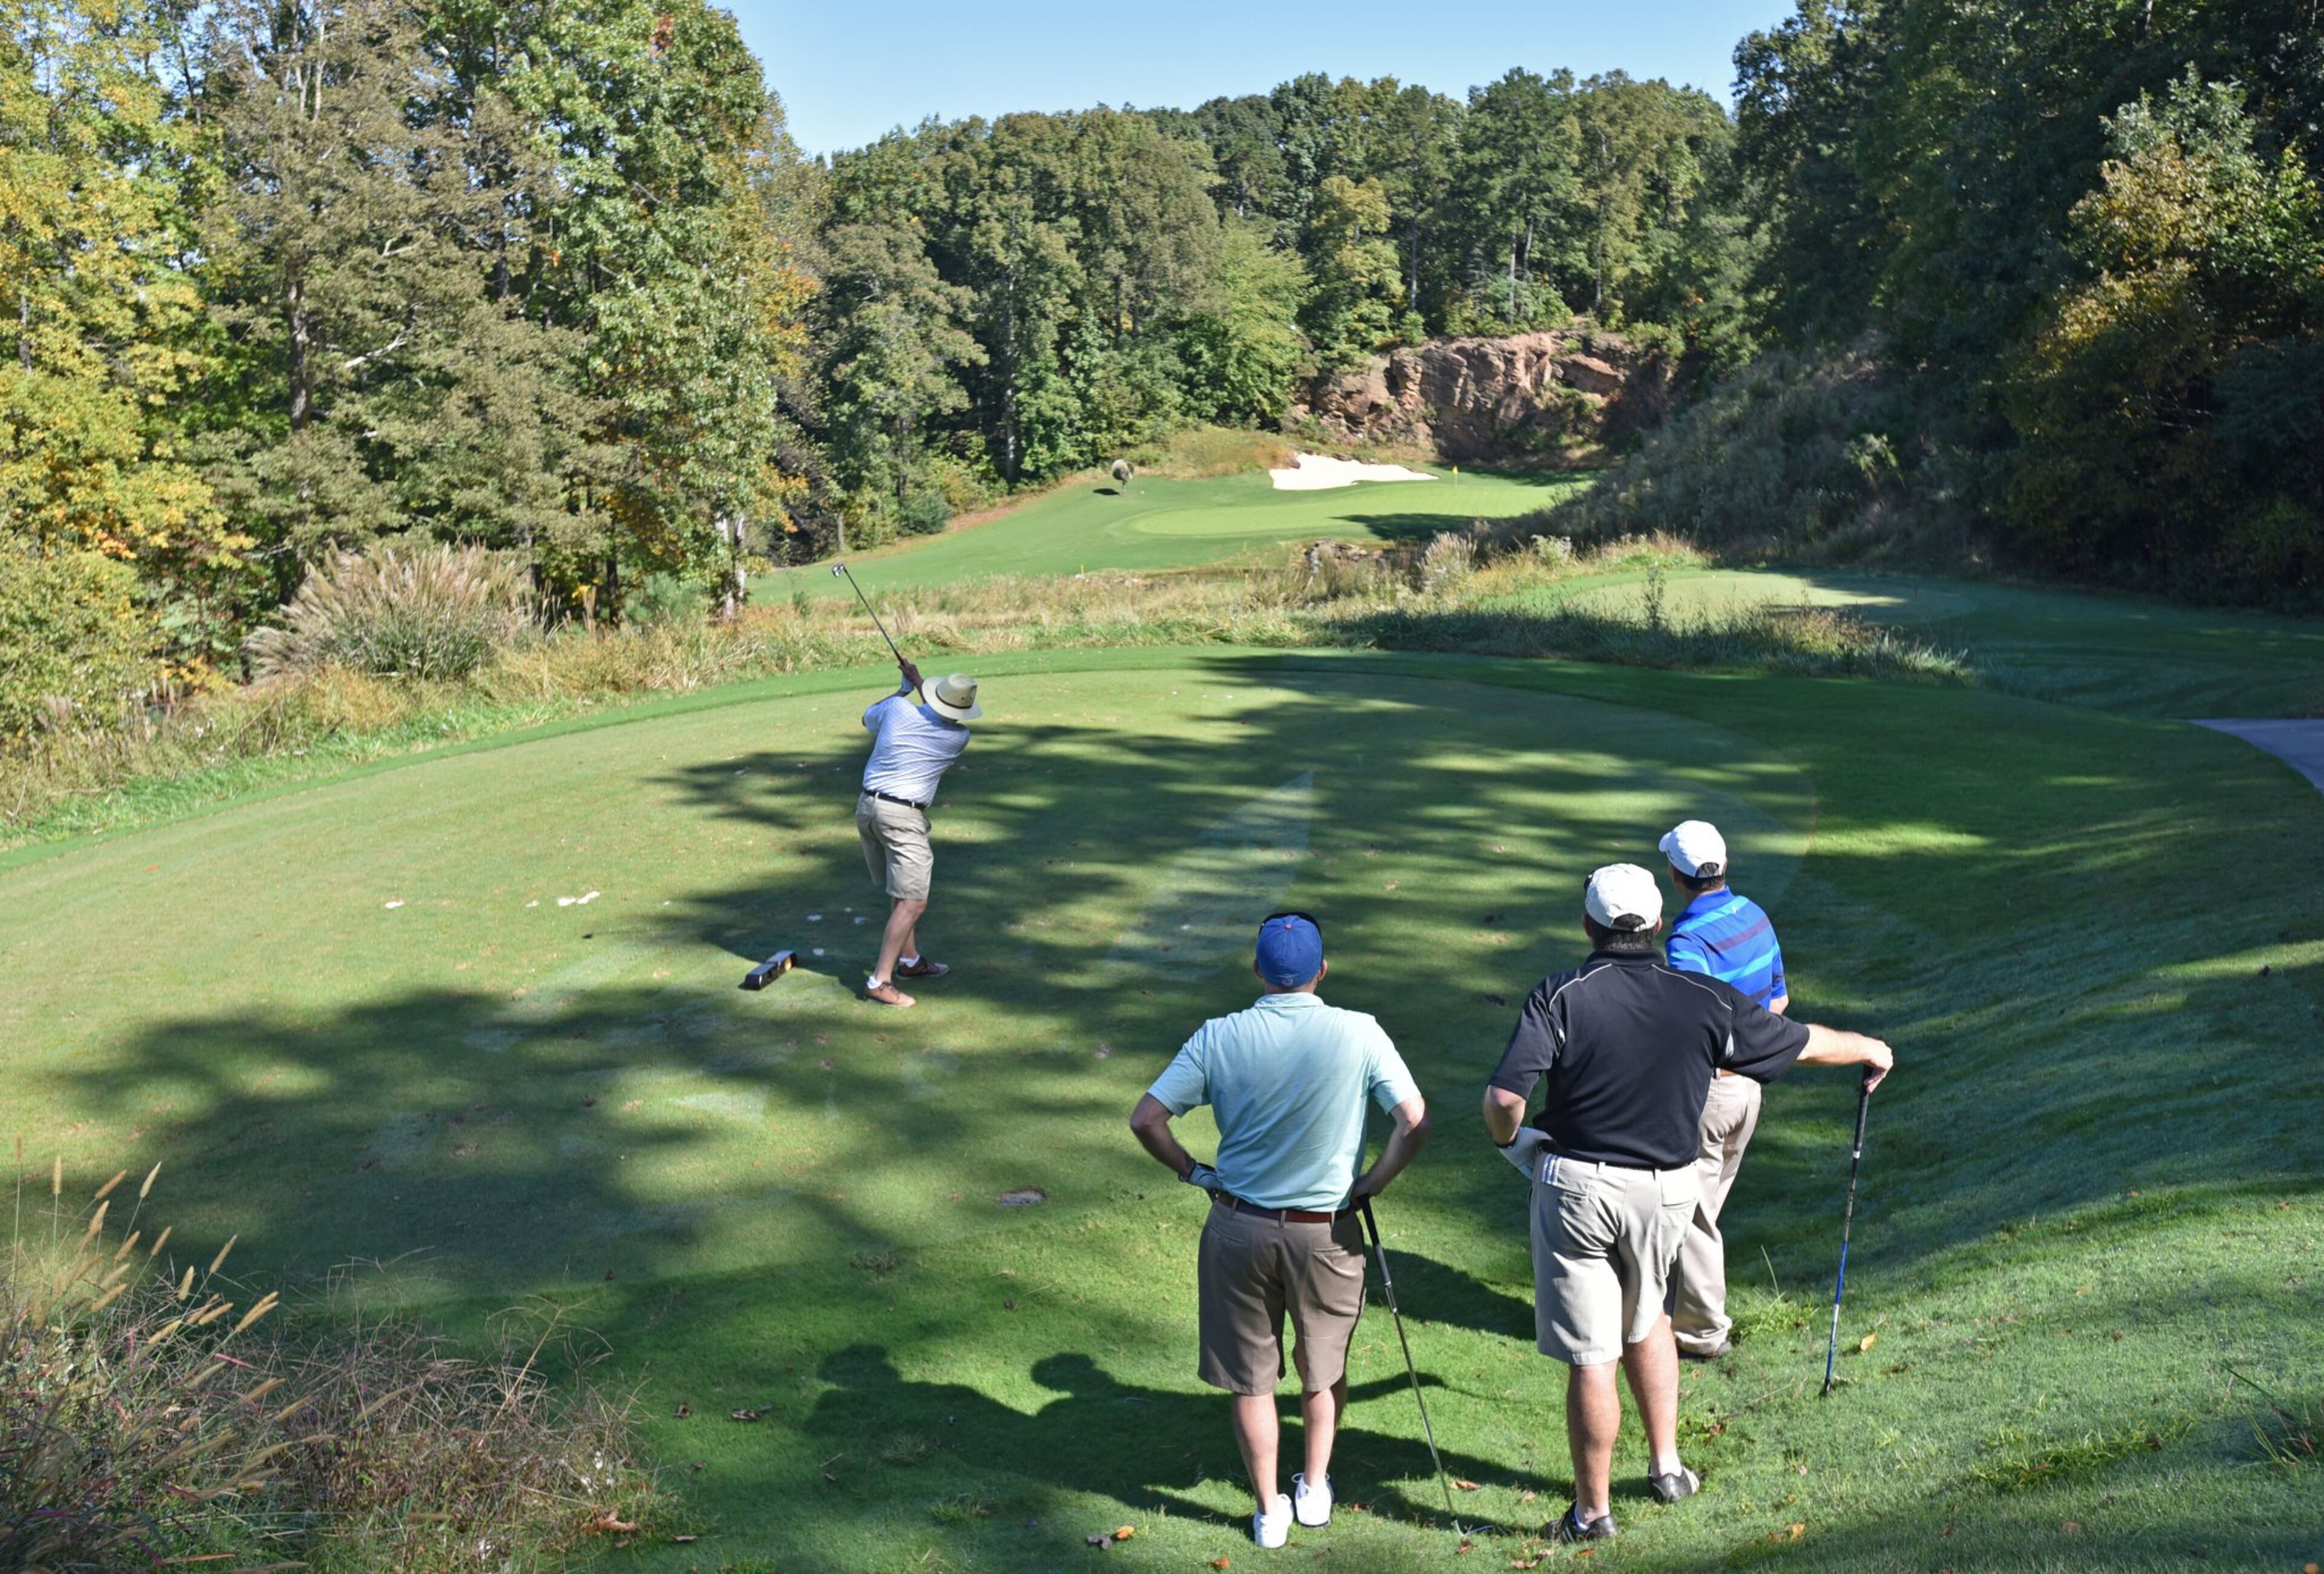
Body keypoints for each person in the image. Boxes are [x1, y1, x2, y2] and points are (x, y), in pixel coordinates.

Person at [1482, 865, 1892, 1545]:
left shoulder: (1559, 995)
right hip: (1667, 1191)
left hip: (1578, 1189)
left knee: (1593, 1354)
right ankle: (1668, 1468)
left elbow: (1504, 1100)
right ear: (1657, 924)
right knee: (1650, 1318)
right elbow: (1797, 1043)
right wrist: (1868, 1048)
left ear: (1588, 926)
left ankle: (1592, 1514)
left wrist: (1510, 1142)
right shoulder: (1702, 997)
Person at [1129, 914, 1431, 1549]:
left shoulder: (1219, 1035)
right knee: (1323, 1367)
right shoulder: (1359, 1030)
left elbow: (1147, 1120)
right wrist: (1373, 1182)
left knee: (1251, 1377)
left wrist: (1194, 1172)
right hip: (1328, 1234)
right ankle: (1314, 1488)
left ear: (1258, 971)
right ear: (1322, 969)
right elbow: (1414, 1120)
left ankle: (1269, 1511)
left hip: (1239, 1228)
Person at [1658, 819, 1786, 1361]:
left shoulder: (1686, 939)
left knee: (1694, 1217)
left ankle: (1702, 1333)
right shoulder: (1754, 914)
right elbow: (1778, 1000)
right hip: (1750, 1089)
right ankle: (1670, 1306)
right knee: (1702, 1207)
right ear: (1725, 865)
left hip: (1710, 1092)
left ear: (1676, 876)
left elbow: (1693, 1024)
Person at [855, 658, 979, 1007]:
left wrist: (905, 689)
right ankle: (879, 981)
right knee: (913, 901)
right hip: (901, 819)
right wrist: (920, 683)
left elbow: (867, 718)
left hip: (868, 809)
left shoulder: (897, 710)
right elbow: (939, 712)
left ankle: (910, 962)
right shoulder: (959, 737)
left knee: (902, 892)